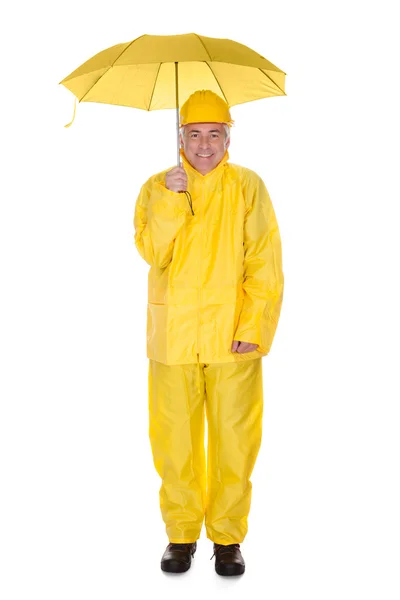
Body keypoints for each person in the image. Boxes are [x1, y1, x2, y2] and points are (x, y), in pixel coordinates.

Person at [133, 90, 284, 576]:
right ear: (180, 138)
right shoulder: (159, 187)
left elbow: (265, 261)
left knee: (234, 442)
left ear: (228, 138)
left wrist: (253, 326)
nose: (203, 145)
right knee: (174, 441)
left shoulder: (247, 187)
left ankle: (227, 538)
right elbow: (153, 253)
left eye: (213, 134)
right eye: (194, 135)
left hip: (230, 337)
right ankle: (180, 535)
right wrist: (170, 202)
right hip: (174, 335)